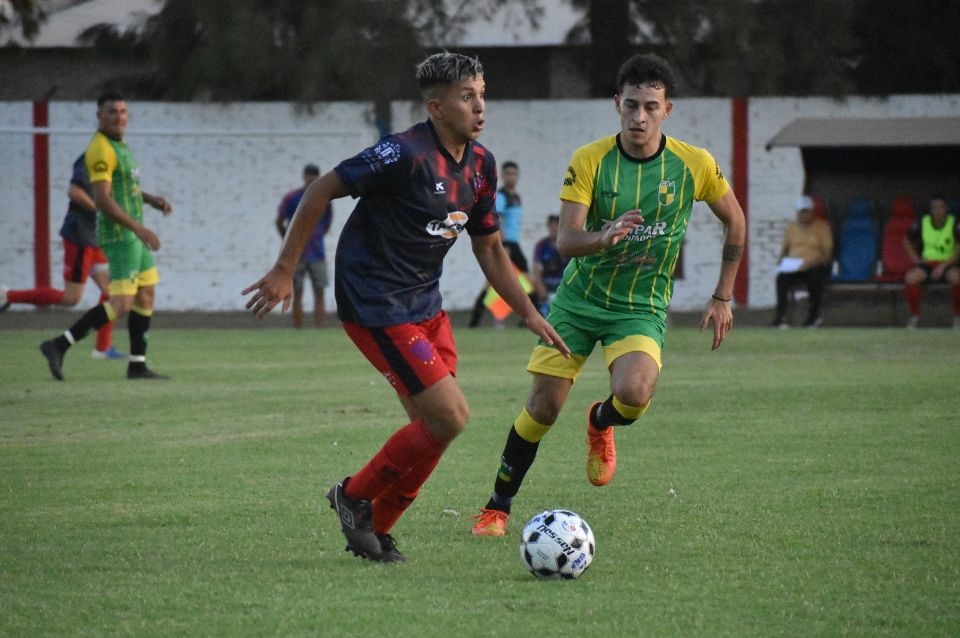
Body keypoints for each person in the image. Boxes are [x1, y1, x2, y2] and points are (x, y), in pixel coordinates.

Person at [242, 52, 568, 563]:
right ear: (436, 107)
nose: (480, 106)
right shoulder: (402, 153)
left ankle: (376, 530)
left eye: (482, 94)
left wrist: (527, 311)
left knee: (433, 427)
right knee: (451, 417)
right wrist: (286, 267)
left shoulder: (481, 166)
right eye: (467, 97)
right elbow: (321, 190)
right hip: (375, 300)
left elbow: (489, 248)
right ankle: (352, 495)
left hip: (424, 303)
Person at [471, 53, 746, 537]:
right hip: (579, 303)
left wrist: (723, 295)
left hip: (639, 306)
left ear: (667, 110)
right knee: (543, 408)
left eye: (651, 107)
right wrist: (604, 235)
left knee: (634, 396)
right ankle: (497, 506)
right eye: (632, 105)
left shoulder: (694, 164)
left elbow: (735, 221)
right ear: (617, 103)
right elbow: (566, 240)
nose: (640, 116)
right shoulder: (590, 159)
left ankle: (600, 420)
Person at [39, 93, 172, 381]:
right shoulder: (100, 149)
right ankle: (59, 344)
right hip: (120, 234)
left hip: (132, 232)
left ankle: (137, 365)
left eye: (123, 111)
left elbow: (124, 186)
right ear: (99, 116)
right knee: (122, 302)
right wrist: (139, 229)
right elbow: (102, 199)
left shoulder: (119, 145)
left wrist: (151, 200)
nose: (119, 117)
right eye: (112, 111)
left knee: (146, 294)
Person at [0, 153, 124, 359]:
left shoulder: (116, 157)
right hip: (80, 236)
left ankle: (102, 348)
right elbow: (74, 191)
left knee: (113, 291)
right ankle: (8, 296)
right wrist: (100, 211)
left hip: (95, 237)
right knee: (71, 298)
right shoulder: (92, 157)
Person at [468, 160, 531, 327]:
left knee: (527, 281)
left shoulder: (516, 197)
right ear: (503, 176)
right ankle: (475, 320)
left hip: (514, 243)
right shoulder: (502, 196)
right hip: (506, 244)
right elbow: (498, 222)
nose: (511, 177)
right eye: (508, 174)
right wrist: (503, 246)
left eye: (514, 174)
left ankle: (528, 320)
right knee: (492, 282)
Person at [276, 163, 332, 328]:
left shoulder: (325, 198)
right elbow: (279, 221)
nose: (311, 178)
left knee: (319, 290)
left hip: (317, 253)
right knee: (296, 291)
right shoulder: (292, 198)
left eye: (314, 175)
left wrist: (316, 237)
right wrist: (289, 240)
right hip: (297, 254)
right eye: (309, 175)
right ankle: (298, 327)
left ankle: (319, 327)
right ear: (304, 176)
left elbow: (327, 222)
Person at [769, 195, 834, 328]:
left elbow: (827, 254)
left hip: (813, 266)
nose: (803, 215)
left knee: (816, 279)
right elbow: (784, 250)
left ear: (811, 212)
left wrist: (815, 262)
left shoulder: (822, 227)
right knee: (781, 279)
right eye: (800, 212)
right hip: (794, 267)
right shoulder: (791, 228)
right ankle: (781, 317)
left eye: (806, 212)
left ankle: (813, 317)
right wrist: (781, 261)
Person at [901, 196, 960, 329]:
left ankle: (958, 316)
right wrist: (917, 260)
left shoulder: (955, 224)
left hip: (948, 263)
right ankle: (915, 316)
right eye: (934, 208)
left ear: (946, 209)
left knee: (957, 278)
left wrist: (943, 266)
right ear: (930, 210)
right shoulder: (923, 223)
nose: (938, 210)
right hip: (928, 263)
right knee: (911, 278)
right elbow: (905, 240)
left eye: (941, 207)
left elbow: (958, 252)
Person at [530, 213, 568, 316]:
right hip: (546, 284)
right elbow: (536, 266)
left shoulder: (567, 245)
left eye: (556, 225)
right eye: (552, 225)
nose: (554, 228)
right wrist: (540, 286)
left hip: (563, 285)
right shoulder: (541, 245)